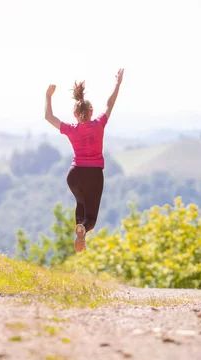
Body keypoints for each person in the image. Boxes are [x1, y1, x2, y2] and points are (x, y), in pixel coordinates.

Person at [44, 68, 124, 252]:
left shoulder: (71, 129)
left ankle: (80, 228)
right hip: (93, 174)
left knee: (81, 203)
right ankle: (84, 229)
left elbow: (48, 117)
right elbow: (110, 103)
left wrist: (48, 95)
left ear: (75, 115)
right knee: (92, 217)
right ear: (91, 111)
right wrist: (117, 84)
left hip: (74, 175)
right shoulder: (99, 123)